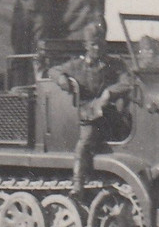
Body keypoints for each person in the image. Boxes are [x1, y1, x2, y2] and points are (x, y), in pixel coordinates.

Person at [48, 23, 135, 198]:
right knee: (85, 142)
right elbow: (53, 70)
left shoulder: (115, 64)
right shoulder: (77, 65)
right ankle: (78, 184)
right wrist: (62, 79)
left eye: (101, 43)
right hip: (90, 114)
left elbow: (127, 82)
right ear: (86, 46)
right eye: (94, 44)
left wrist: (109, 92)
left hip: (111, 113)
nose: (98, 48)